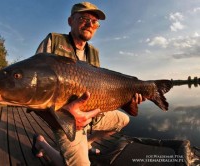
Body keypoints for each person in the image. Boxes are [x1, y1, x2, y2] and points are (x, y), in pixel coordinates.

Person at [31, 2, 145, 166]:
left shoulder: (94, 53)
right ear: (70, 21)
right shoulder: (53, 41)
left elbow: (98, 89)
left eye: (94, 22)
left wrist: (127, 99)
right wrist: (67, 116)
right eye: (84, 18)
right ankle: (42, 143)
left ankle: (87, 143)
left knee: (123, 120)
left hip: (91, 114)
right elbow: (34, 87)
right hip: (65, 119)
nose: (90, 24)